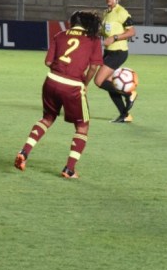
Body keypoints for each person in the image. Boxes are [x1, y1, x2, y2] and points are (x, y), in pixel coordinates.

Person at [14, 11, 103, 179]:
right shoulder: (93, 39)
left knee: (47, 119)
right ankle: (69, 169)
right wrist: (85, 84)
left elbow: (48, 62)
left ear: (73, 22)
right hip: (73, 86)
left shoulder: (60, 35)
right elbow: (93, 67)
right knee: (82, 126)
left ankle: (24, 152)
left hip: (51, 81)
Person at [94, 0, 137, 123]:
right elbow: (105, 31)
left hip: (118, 52)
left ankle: (129, 93)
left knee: (98, 81)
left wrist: (115, 37)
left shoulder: (121, 12)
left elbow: (131, 32)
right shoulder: (106, 13)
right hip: (108, 52)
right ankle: (125, 115)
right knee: (108, 84)